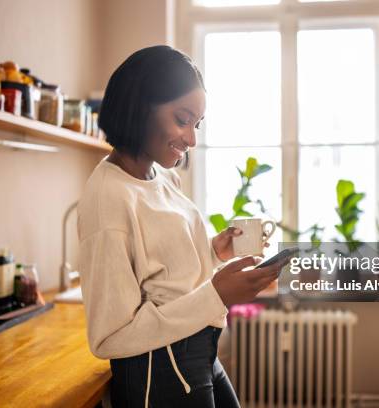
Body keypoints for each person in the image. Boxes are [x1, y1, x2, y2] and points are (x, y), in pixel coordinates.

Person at [77, 45, 285, 408]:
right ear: (141, 106)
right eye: (182, 119)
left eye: (197, 124)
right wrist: (217, 295)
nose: (191, 139)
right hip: (158, 373)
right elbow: (110, 336)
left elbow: (165, 276)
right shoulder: (107, 196)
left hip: (199, 354)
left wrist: (213, 251)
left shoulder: (163, 177)